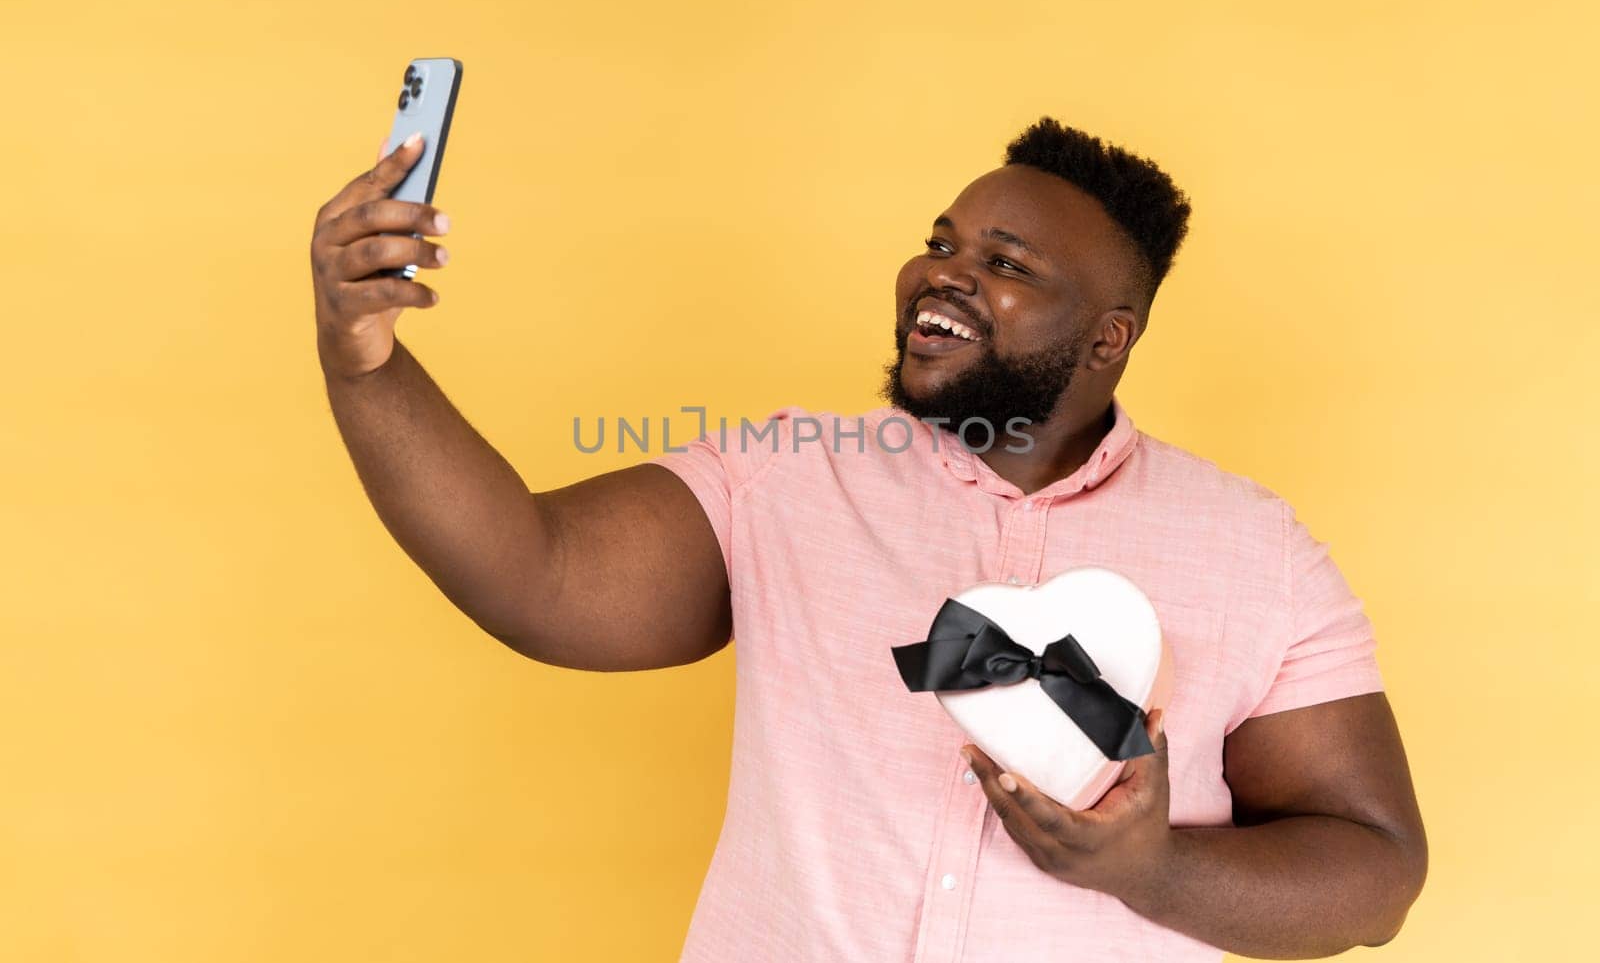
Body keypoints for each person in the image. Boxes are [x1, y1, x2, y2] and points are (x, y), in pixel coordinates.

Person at [308, 118, 1427, 961]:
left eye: (1007, 262)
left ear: (1107, 338)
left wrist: (1157, 870)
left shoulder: (1253, 549)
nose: (943, 270)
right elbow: (537, 575)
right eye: (942, 241)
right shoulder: (786, 477)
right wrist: (367, 363)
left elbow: (1373, 869)